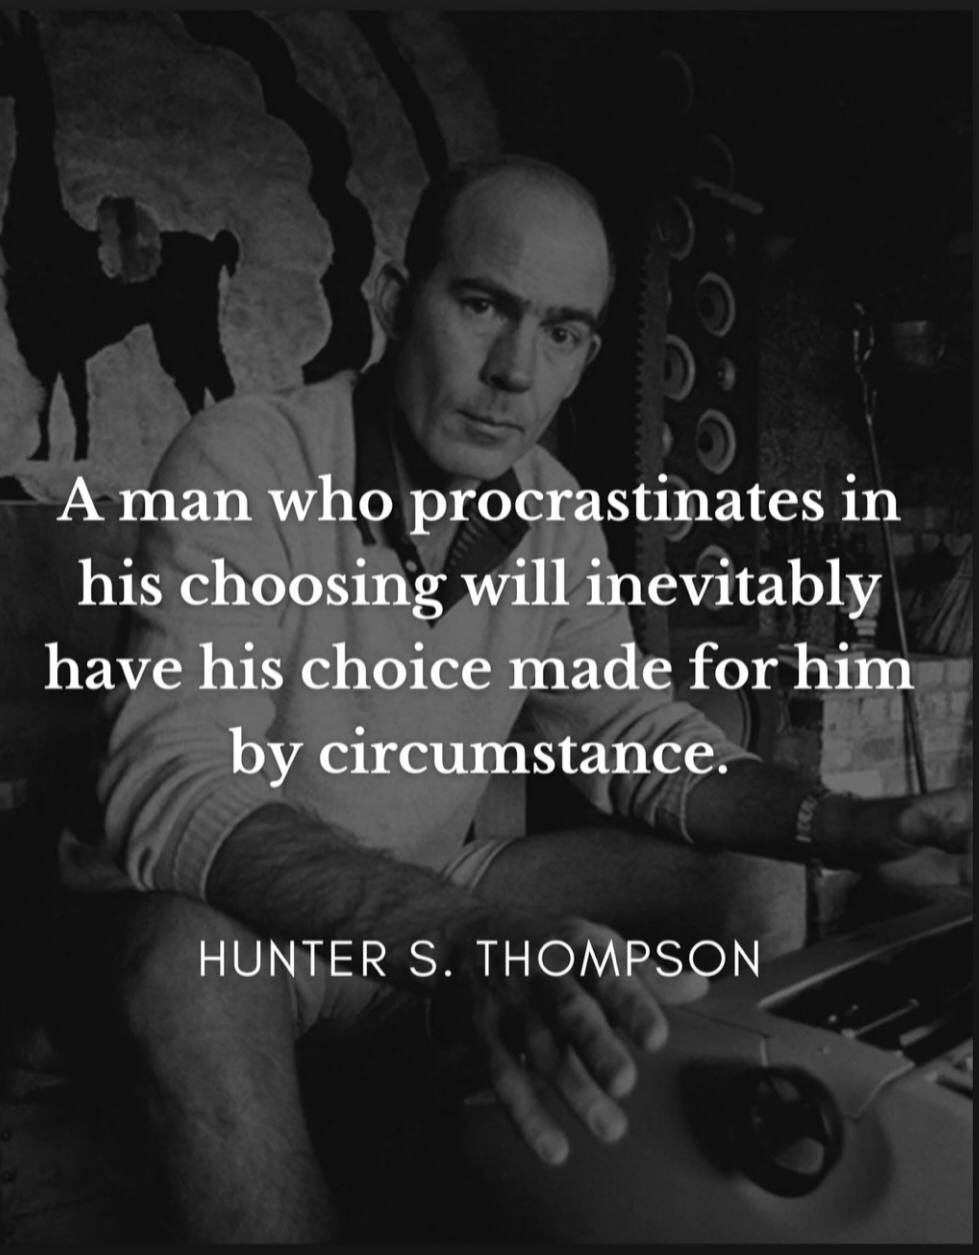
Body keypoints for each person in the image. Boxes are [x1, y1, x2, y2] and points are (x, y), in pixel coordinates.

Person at [60, 155, 971, 1242]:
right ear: (398, 301)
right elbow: (167, 782)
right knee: (182, 961)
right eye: (483, 304)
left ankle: (707, 1198)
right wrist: (465, 936)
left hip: (431, 881)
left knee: (752, 865)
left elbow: (632, 733)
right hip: (261, 929)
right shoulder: (248, 457)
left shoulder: (552, 512)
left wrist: (847, 824)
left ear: (585, 355)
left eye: (561, 331)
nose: (512, 370)